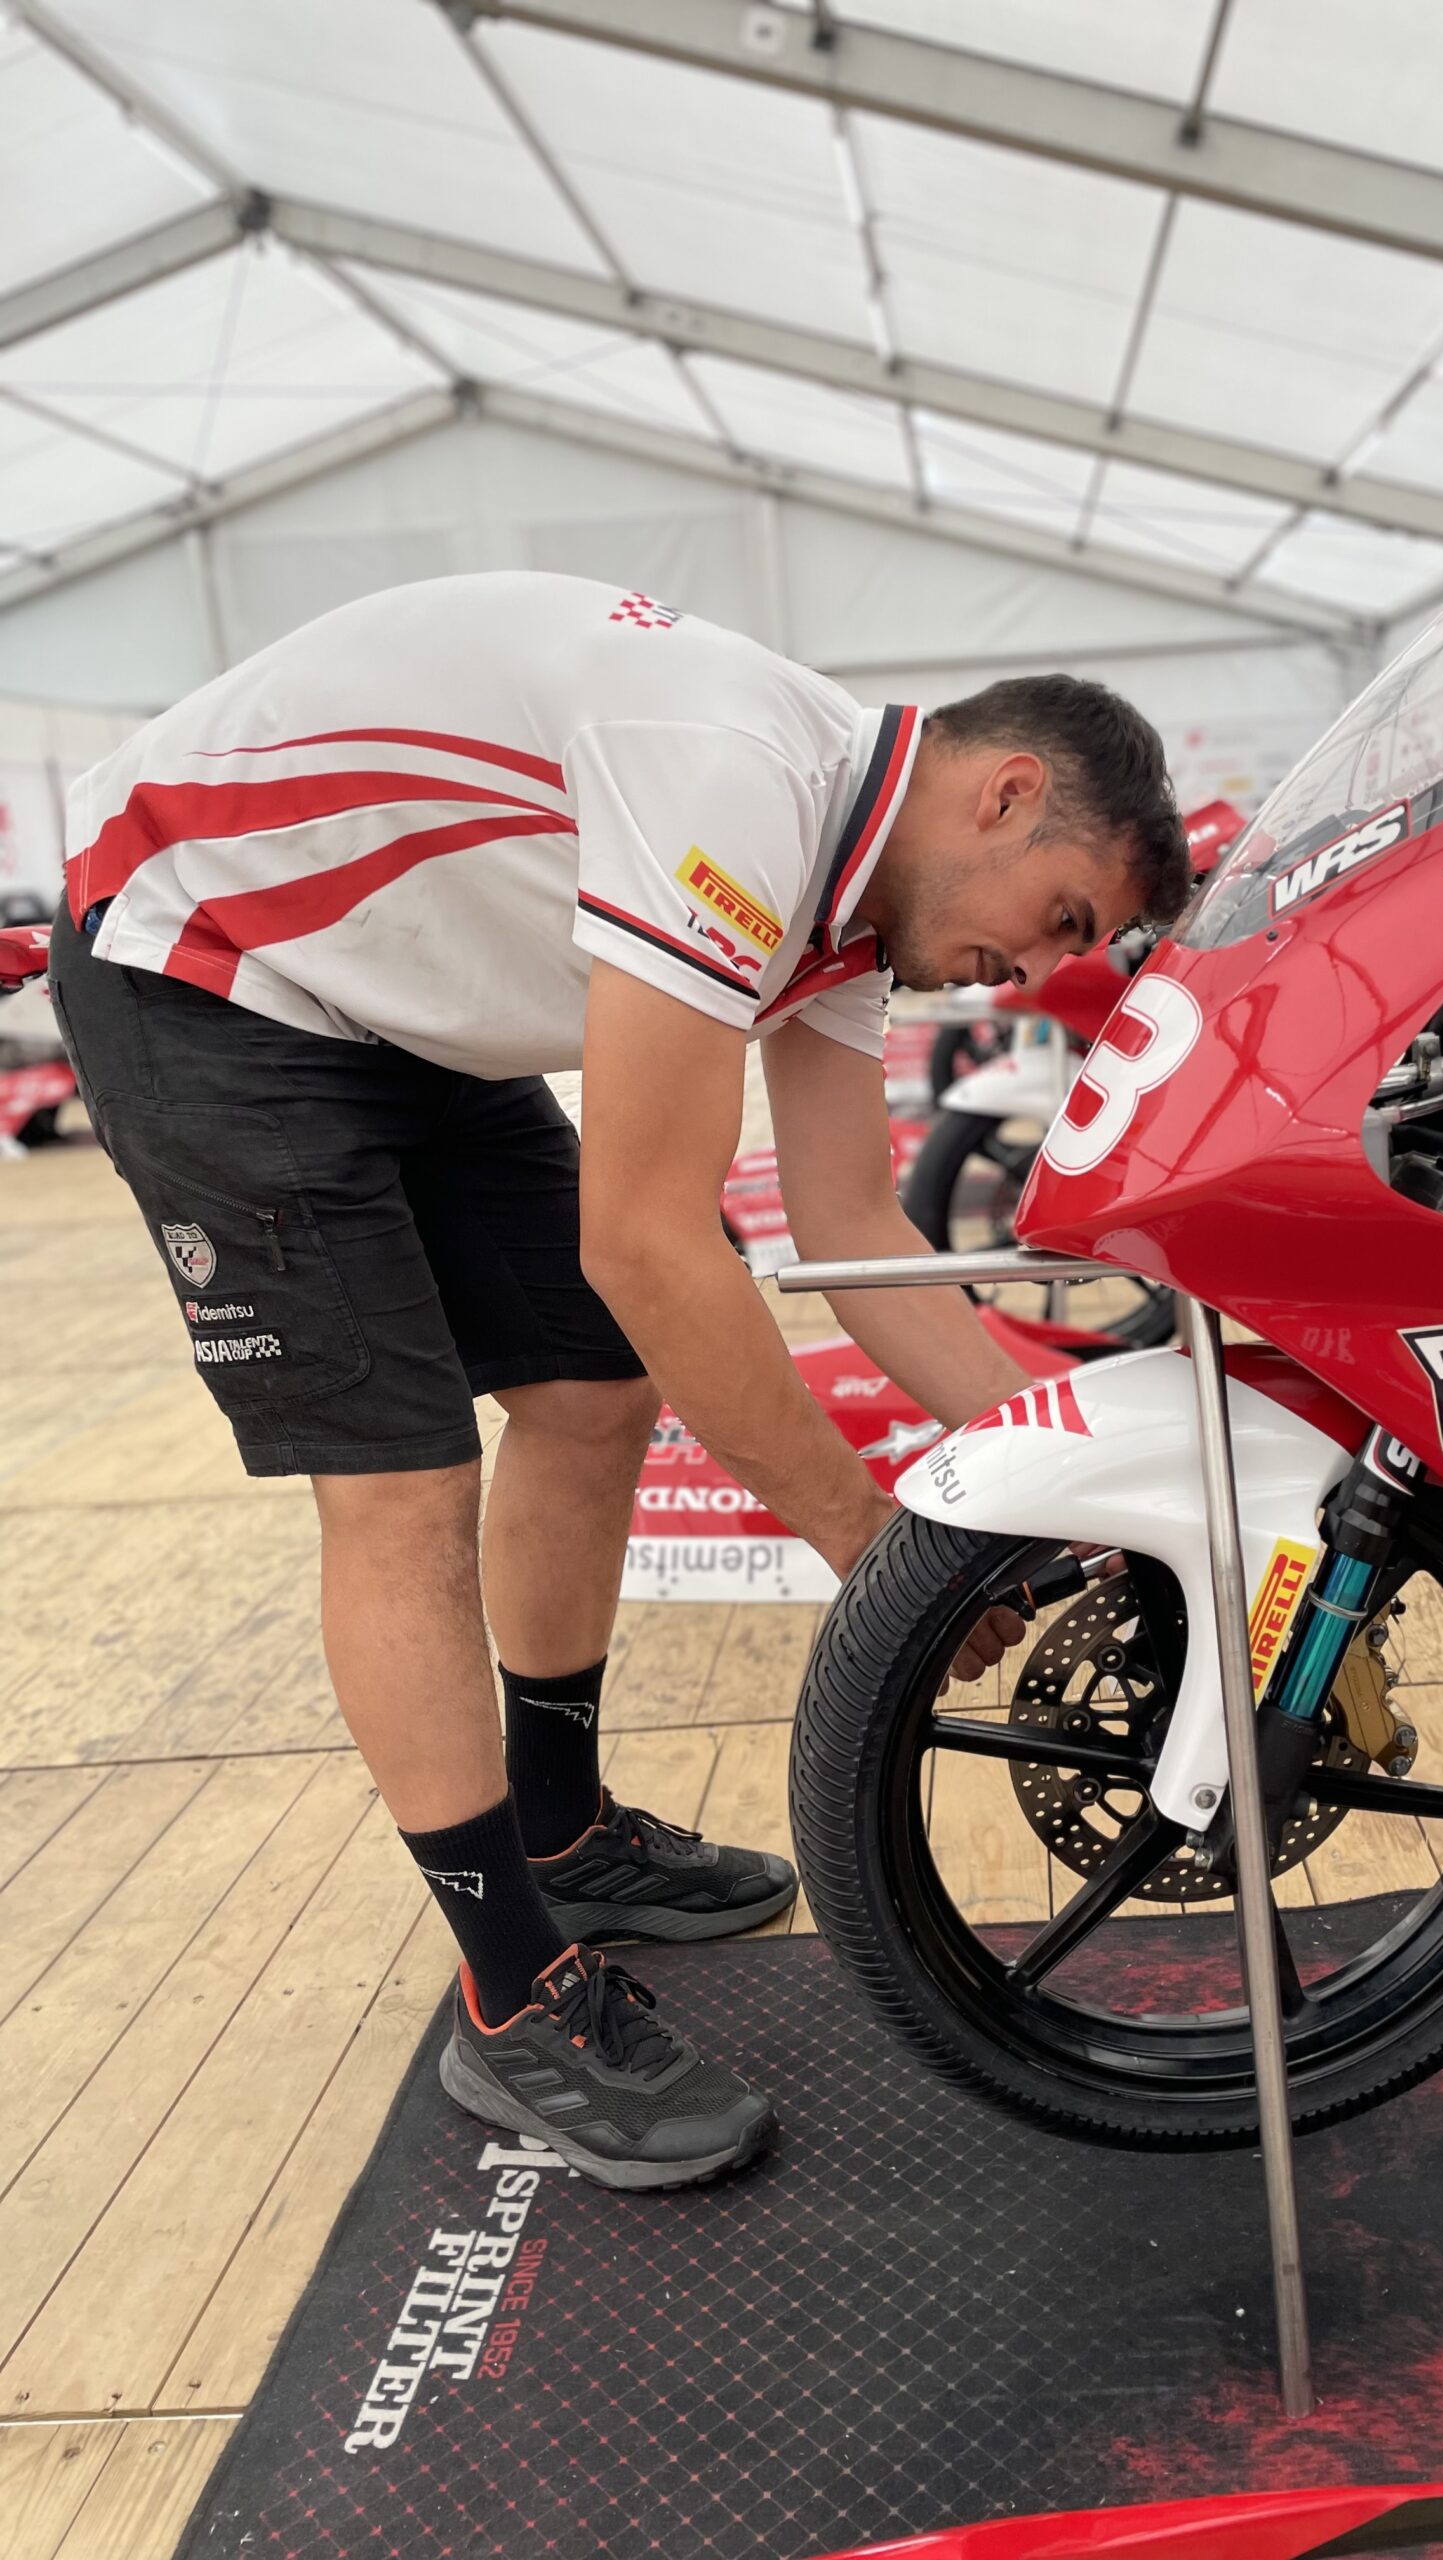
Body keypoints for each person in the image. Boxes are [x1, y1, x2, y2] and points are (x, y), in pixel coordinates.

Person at [47, 572, 1191, 2191]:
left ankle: (561, 1829)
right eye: (1065, 918)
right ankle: (509, 1994)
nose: (1030, 972)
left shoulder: (852, 895)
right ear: (1006, 796)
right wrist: (870, 1543)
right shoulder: (737, 780)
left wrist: (1087, 1477)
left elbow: (855, 1226)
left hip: (383, 1006)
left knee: (591, 1393)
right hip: (203, 962)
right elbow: (647, 1245)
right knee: (402, 1485)